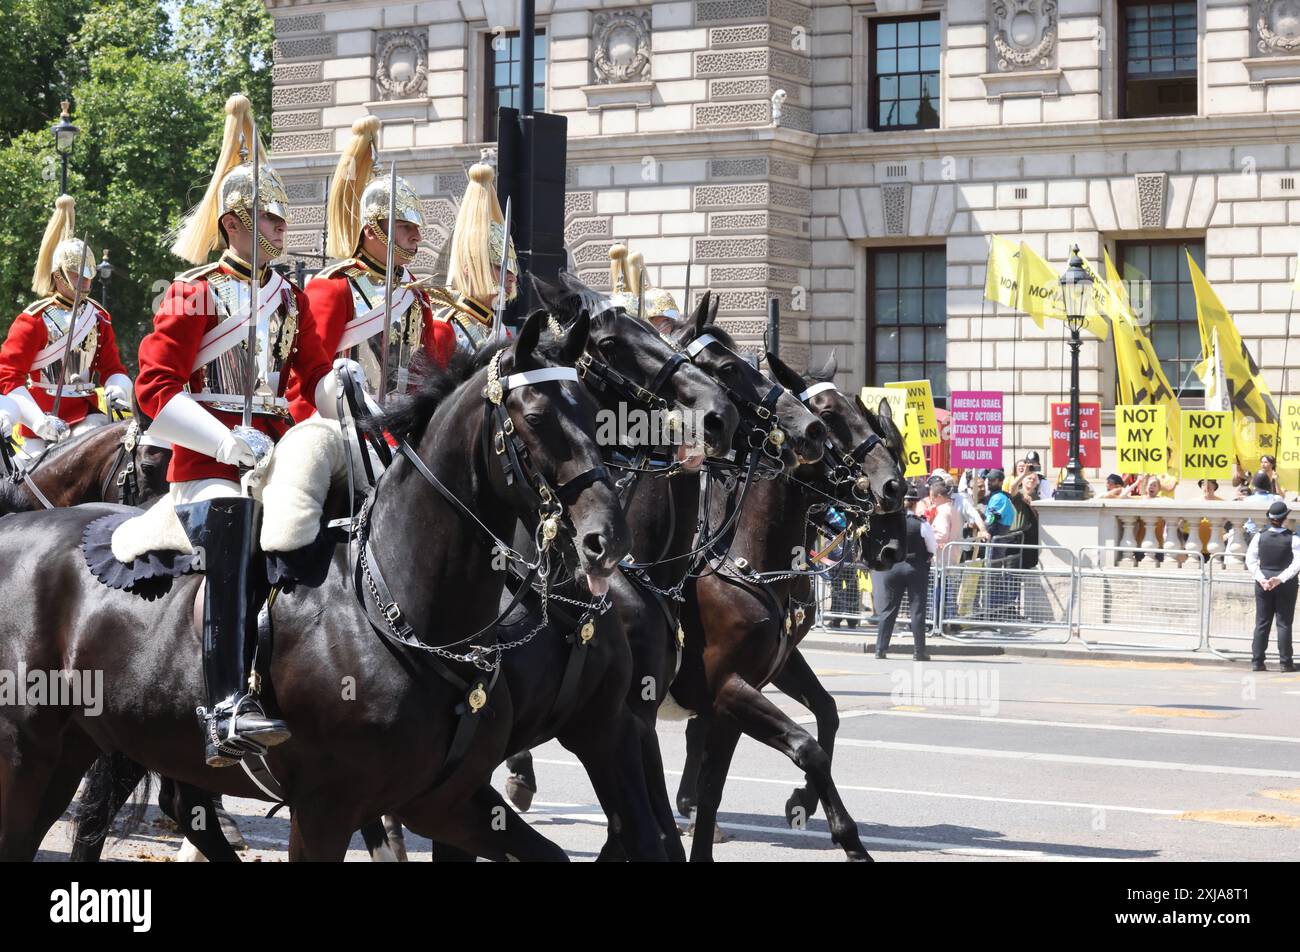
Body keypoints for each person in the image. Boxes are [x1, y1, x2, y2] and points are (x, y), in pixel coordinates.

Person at [135, 94, 364, 767]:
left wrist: (337, 387)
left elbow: (302, 380)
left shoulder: (287, 296)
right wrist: (222, 442)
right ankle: (225, 705)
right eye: (267, 215)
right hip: (206, 473)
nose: (280, 225)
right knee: (234, 521)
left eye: (282, 215)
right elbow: (155, 391)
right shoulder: (194, 290)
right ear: (234, 222)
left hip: (274, 461)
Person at [293, 116, 455, 420]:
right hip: (350, 428)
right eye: (405, 226)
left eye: (416, 227)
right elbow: (309, 378)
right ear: (371, 230)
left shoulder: (415, 291)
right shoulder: (335, 286)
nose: (417, 235)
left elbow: (430, 372)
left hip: (405, 428)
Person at [0, 194, 133, 458]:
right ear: (58, 274)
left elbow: (112, 368)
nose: (84, 281)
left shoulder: (98, 317)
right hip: (41, 419)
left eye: (87, 275)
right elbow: (8, 378)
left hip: (87, 416)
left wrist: (117, 387)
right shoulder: (33, 319)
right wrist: (38, 421)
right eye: (76, 275)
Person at [439, 161, 518, 355]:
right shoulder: (445, 328)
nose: (512, 277)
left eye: (512, 269)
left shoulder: (503, 333)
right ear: (469, 267)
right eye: (501, 267)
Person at [871, 484, 936, 661]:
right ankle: (918, 652)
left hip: (892, 569)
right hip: (915, 568)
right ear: (915, 504)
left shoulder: (890, 524)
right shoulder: (921, 524)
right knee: (917, 610)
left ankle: (880, 649)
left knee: (888, 610)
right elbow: (932, 547)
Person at [1245, 500, 1300, 672]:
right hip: (1285, 583)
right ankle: (1285, 663)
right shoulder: (1293, 538)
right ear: (1285, 518)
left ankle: (1257, 661)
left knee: (1262, 622)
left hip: (1263, 581)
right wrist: (1280, 578)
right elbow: (1297, 564)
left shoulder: (1259, 535)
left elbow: (1251, 560)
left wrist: (1262, 578)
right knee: (1284, 623)